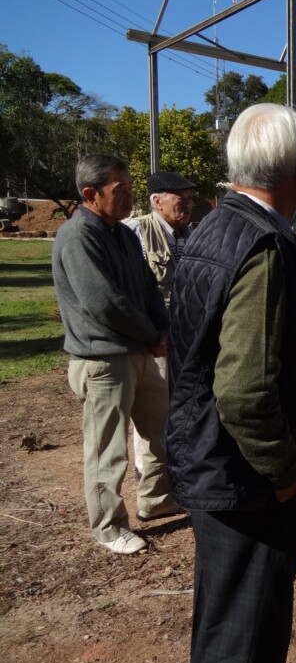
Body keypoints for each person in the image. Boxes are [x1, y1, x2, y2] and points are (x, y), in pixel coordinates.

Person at [163, 103, 296, 663]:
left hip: (210, 455)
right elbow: (245, 391)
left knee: (227, 616)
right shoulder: (265, 248)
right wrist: (285, 471)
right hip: (244, 475)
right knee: (244, 633)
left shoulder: (213, 227)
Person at [52, 153, 177, 555]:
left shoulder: (123, 234)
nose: (129, 197)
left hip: (139, 353)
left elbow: (146, 287)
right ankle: (108, 527)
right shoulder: (77, 236)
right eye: (119, 190)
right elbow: (103, 304)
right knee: (108, 449)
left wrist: (163, 330)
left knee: (163, 431)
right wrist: (151, 335)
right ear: (91, 194)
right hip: (104, 361)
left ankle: (157, 500)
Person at [126, 170, 196, 480]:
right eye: (182, 199)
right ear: (157, 201)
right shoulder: (136, 232)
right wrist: (150, 333)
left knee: (182, 402)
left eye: (191, 199)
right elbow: (133, 290)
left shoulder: (189, 234)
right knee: (152, 409)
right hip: (158, 338)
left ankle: (177, 464)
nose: (189, 205)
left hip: (187, 333)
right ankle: (148, 472)